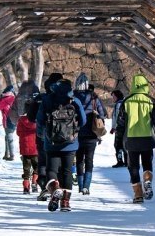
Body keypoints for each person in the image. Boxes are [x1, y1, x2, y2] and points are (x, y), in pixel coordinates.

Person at [114, 74, 155, 203]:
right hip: (148, 138)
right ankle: (147, 180)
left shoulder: (126, 102)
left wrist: (118, 142)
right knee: (147, 163)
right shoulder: (152, 101)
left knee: (133, 167)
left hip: (131, 139)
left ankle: (138, 195)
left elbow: (120, 124)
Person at [36, 78, 86, 212]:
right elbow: (83, 121)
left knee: (51, 170)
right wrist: (74, 130)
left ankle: (55, 189)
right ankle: (65, 202)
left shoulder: (47, 100)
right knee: (67, 172)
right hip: (70, 143)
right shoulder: (75, 101)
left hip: (51, 142)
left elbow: (39, 121)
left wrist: (43, 134)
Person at [29, 73, 63, 201]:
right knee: (58, 164)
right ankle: (58, 187)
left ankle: (45, 188)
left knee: (43, 163)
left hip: (42, 135)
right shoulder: (67, 98)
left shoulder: (40, 98)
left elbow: (30, 117)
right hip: (62, 137)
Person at [74, 74, 107, 195]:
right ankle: (86, 186)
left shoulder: (73, 97)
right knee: (89, 160)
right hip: (92, 134)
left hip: (77, 134)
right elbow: (102, 114)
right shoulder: (93, 98)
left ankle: (80, 184)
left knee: (79, 160)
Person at [16, 105, 39, 194]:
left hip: (25, 148)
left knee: (26, 169)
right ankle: (34, 181)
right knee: (37, 167)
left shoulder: (21, 120)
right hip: (35, 148)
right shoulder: (37, 120)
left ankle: (26, 187)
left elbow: (18, 133)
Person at [0, 85, 17, 160]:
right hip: (15, 120)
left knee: (9, 137)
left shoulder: (5, 99)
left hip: (8, 120)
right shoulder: (15, 98)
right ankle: (6, 154)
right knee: (7, 137)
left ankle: (11, 155)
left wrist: (0, 98)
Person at [109, 90, 127, 168]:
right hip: (125, 128)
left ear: (117, 96)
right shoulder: (125, 102)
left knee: (118, 145)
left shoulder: (119, 104)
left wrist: (114, 127)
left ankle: (120, 161)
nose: (112, 98)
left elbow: (117, 117)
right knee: (124, 145)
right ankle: (127, 162)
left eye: (113, 96)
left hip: (119, 128)